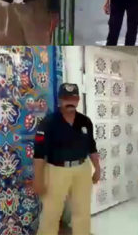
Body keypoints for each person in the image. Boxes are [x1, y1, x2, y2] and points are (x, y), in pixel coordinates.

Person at [33, 83, 100, 235]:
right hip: (56, 170)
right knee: (51, 212)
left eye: (74, 98)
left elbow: (92, 146)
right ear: (59, 100)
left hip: (82, 169)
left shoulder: (85, 121)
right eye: (66, 98)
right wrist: (38, 179)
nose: (70, 101)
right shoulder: (48, 123)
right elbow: (39, 154)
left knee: (82, 211)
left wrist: (97, 169)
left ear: (78, 100)